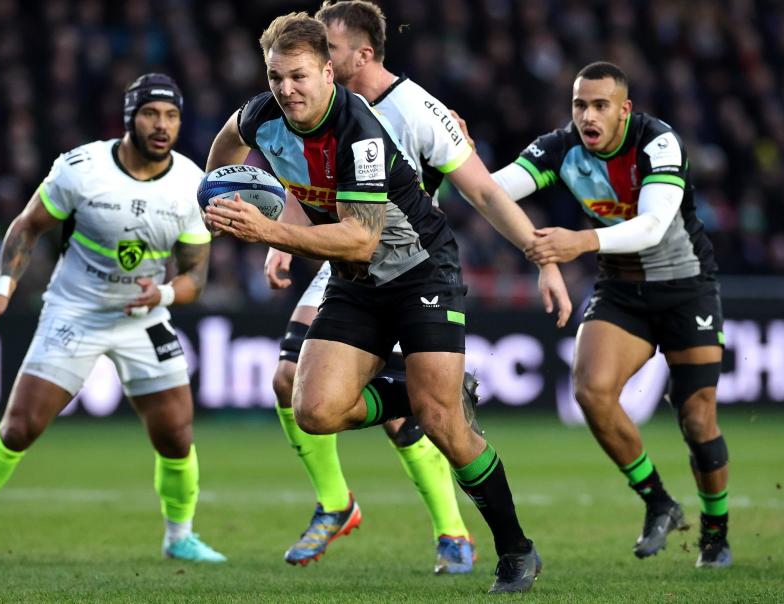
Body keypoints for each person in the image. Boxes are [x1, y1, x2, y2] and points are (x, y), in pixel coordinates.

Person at [203, 12, 544, 594]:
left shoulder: (357, 130)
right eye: (276, 76)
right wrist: (217, 188)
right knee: (313, 411)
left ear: (329, 72)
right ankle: (417, 388)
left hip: (419, 271)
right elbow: (230, 137)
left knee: (443, 424)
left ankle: (516, 549)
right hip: (355, 280)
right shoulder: (264, 114)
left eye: (299, 77)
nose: (286, 90)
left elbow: (361, 235)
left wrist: (267, 231)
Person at [0, 74, 225, 565]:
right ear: (130, 118)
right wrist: (2, 290)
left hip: (144, 316)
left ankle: (179, 536)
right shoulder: (81, 168)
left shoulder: (191, 184)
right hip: (75, 310)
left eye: (172, 116)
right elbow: (27, 226)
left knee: (176, 436)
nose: (162, 125)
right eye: (150, 114)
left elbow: (194, 278)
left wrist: (160, 293)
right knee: (19, 428)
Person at [488, 61, 731, 568]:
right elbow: (491, 191)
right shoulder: (559, 148)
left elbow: (653, 225)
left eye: (600, 106)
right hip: (622, 290)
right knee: (591, 392)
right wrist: (452, 162)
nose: (587, 116)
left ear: (625, 110)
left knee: (695, 416)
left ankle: (715, 532)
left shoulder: (658, 143)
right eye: (580, 105)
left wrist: (577, 242)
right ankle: (658, 501)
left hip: (686, 288)